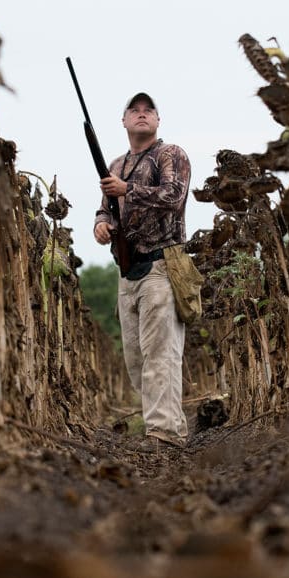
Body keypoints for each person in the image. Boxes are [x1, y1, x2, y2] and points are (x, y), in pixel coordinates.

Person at [93, 92, 192, 448]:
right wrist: (102, 226)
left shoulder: (171, 154)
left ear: (157, 121)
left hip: (160, 266)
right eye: (133, 110)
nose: (141, 114)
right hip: (127, 271)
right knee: (136, 360)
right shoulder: (116, 165)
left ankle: (163, 434)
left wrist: (128, 190)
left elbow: (174, 196)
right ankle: (172, 429)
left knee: (160, 354)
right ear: (123, 122)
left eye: (148, 110)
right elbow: (104, 209)